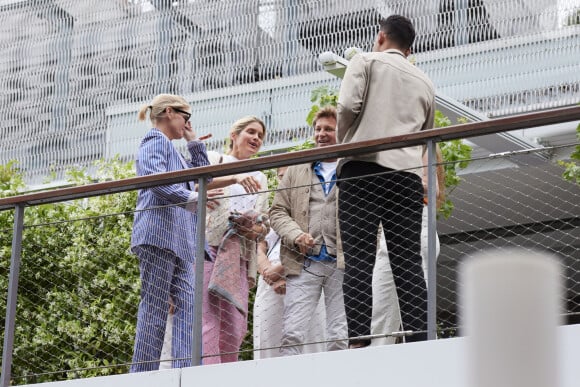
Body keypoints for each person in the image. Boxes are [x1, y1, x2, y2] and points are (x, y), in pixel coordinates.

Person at [336, 15, 436, 347]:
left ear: (381, 37)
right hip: (406, 176)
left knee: (359, 257)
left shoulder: (364, 61)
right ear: (411, 48)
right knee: (407, 261)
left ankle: (360, 341)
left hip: (362, 167)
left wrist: (344, 144)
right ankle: (420, 338)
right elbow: (426, 135)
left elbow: (348, 106)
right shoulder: (424, 81)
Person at [130, 94, 221, 372]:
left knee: (189, 306)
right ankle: (143, 372)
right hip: (158, 234)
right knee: (156, 306)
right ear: (169, 112)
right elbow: (156, 182)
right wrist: (194, 199)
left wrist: (194, 143)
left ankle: (185, 368)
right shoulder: (155, 141)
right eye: (186, 117)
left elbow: (201, 179)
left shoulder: (173, 150)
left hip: (178, 239)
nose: (187, 122)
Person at [270, 106, 348, 356]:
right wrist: (295, 234)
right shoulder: (296, 169)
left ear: (341, 132)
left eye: (328, 129)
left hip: (343, 263)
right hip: (303, 262)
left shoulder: (352, 166)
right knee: (292, 332)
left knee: (340, 335)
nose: (321, 134)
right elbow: (277, 211)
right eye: (318, 129)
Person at [201, 116, 270, 364]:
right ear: (234, 135)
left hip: (238, 254)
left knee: (235, 322)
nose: (256, 138)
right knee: (207, 318)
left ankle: (228, 372)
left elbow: (264, 226)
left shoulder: (261, 178)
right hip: (208, 246)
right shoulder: (214, 159)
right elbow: (190, 188)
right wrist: (232, 179)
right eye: (250, 132)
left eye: (260, 136)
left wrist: (253, 228)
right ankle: (207, 376)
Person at [370, 146, 446, 346]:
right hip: (396, 228)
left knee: (416, 311)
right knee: (382, 311)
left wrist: (393, 184)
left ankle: (426, 362)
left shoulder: (422, 147)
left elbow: (432, 188)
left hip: (418, 227)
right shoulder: (399, 149)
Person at [253, 167, 326, 359]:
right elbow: (259, 248)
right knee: (268, 344)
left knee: (308, 345)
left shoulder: (316, 208)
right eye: (282, 178)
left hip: (304, 278)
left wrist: (282, 270)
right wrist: (270, 274)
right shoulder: (271, 215)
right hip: (269, 285)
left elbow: (319, 247)